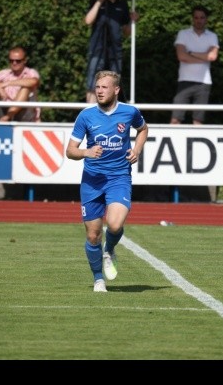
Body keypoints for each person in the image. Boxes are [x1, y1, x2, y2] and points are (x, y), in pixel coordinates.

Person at [66, 70, 148, 292]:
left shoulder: (129, 112)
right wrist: (86, 152)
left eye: (104, 87)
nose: (99, 91)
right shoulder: (86, 116)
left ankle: (109, 249)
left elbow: (143, 129)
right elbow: (70, 151)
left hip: (119, 177)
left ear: (116, 90)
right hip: (92, 181)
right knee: (93, 234)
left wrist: (137, 150)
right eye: (97, 87)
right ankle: (98, 279)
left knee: (114, 224)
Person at [84, 0, 138, 103]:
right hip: (97, 48)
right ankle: (90, 113)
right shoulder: (97, 0)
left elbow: (126, 32)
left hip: (115, 49)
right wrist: (98, 2)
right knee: (93, 80)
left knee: (114, 82)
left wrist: (132, 21)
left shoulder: (122, 3)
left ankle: (111, 114)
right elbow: (88, 20)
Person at [170, 5, 219, 125]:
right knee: (176, 118)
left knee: (198, 120)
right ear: (193, 19)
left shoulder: (212, 36)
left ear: (206, 19)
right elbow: (181, 56)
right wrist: (204, 57)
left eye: (202, 17)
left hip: (204, 82)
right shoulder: (183, 34)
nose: (199, 20)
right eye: (196, 17)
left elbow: (212, 56)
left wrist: (191, 53)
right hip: (184, 81)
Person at [0, 46, 41, 122]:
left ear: (24, 61)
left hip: (25, 113)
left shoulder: (31, 72)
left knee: (25, 88)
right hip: (5, 110)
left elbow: (33, 82)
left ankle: (8, 117)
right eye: (11, 60)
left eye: (18, 61)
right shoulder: (5, 73)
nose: (14, 63)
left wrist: (7, 83)